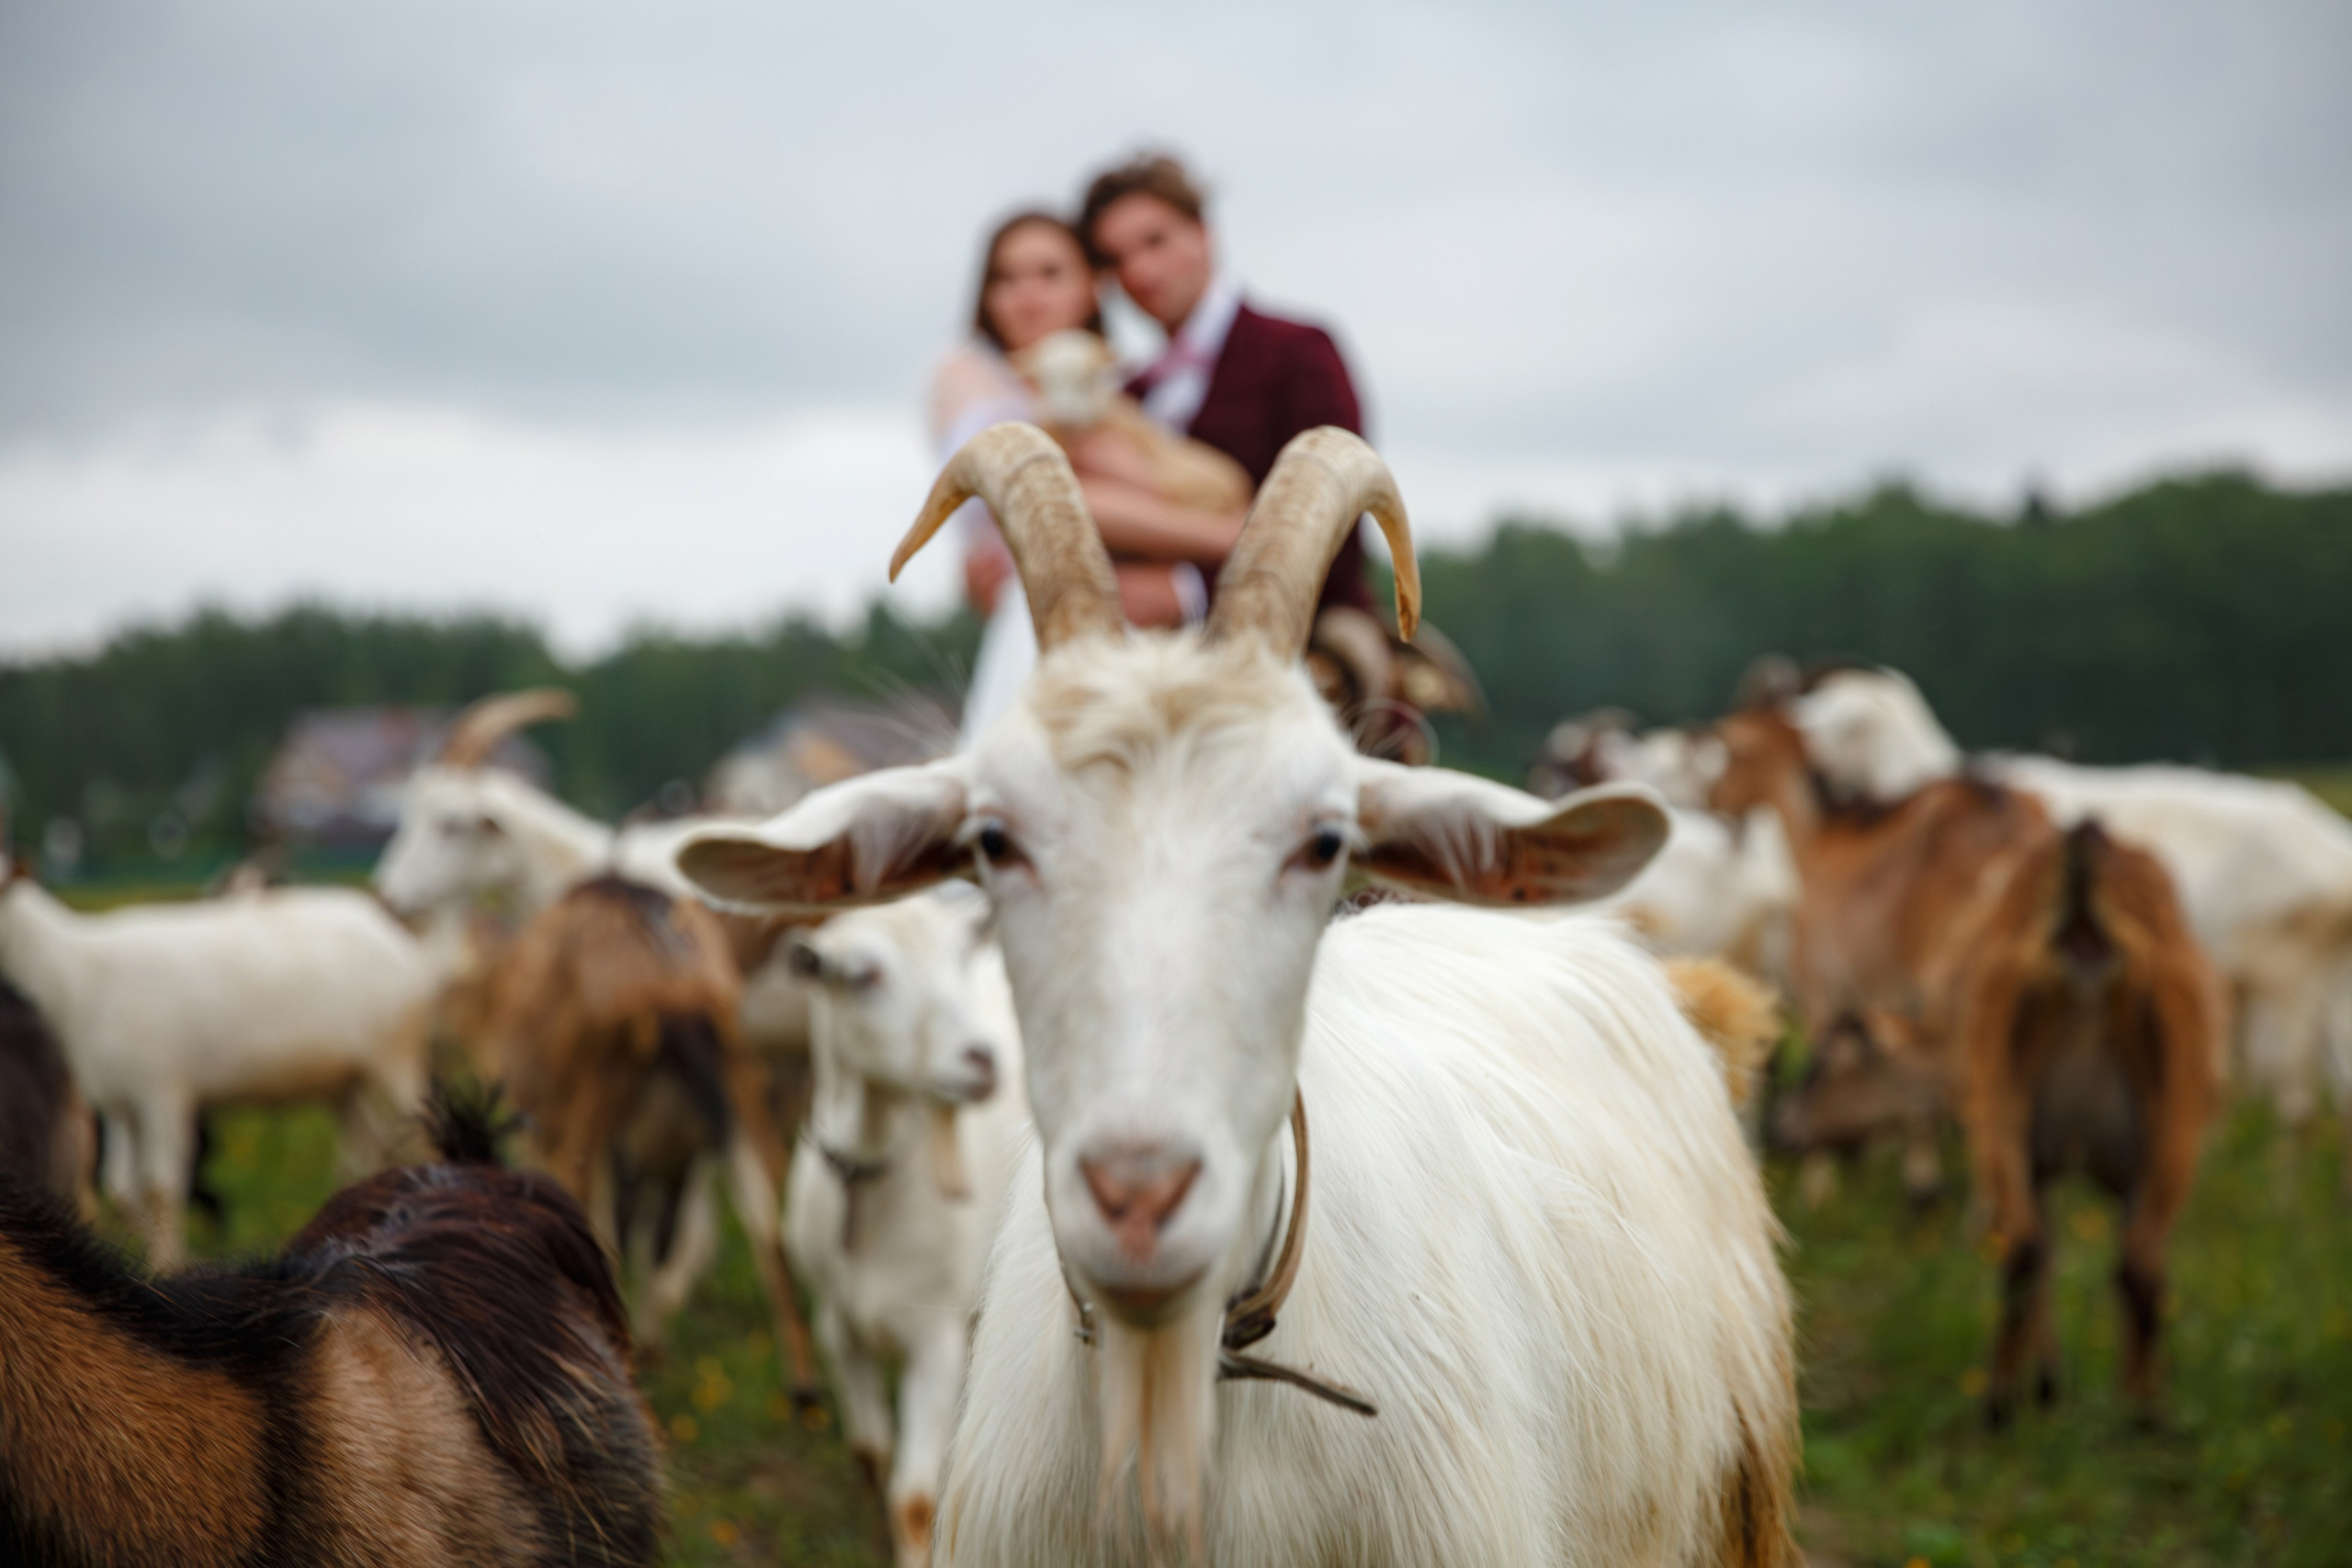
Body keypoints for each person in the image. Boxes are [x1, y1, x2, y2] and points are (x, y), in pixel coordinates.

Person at [931, 210, 1209, 745]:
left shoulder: (1138, 392)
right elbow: (1009, 517)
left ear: (1091, 286)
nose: (1026, 296)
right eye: (1005, 279)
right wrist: (1225, 537)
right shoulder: (972, 385)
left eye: (1048, 274)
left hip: (1140, 644)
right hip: (1033, 630)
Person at [1073, 152, 1374, 615]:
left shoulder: (1300, 352)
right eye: (1116, 259)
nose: (1139, 272)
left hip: (1301, 639)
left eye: (1155, 241)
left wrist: (1184, 594)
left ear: (1203, 233)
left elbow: (1339, 532)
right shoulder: (1127, 394)